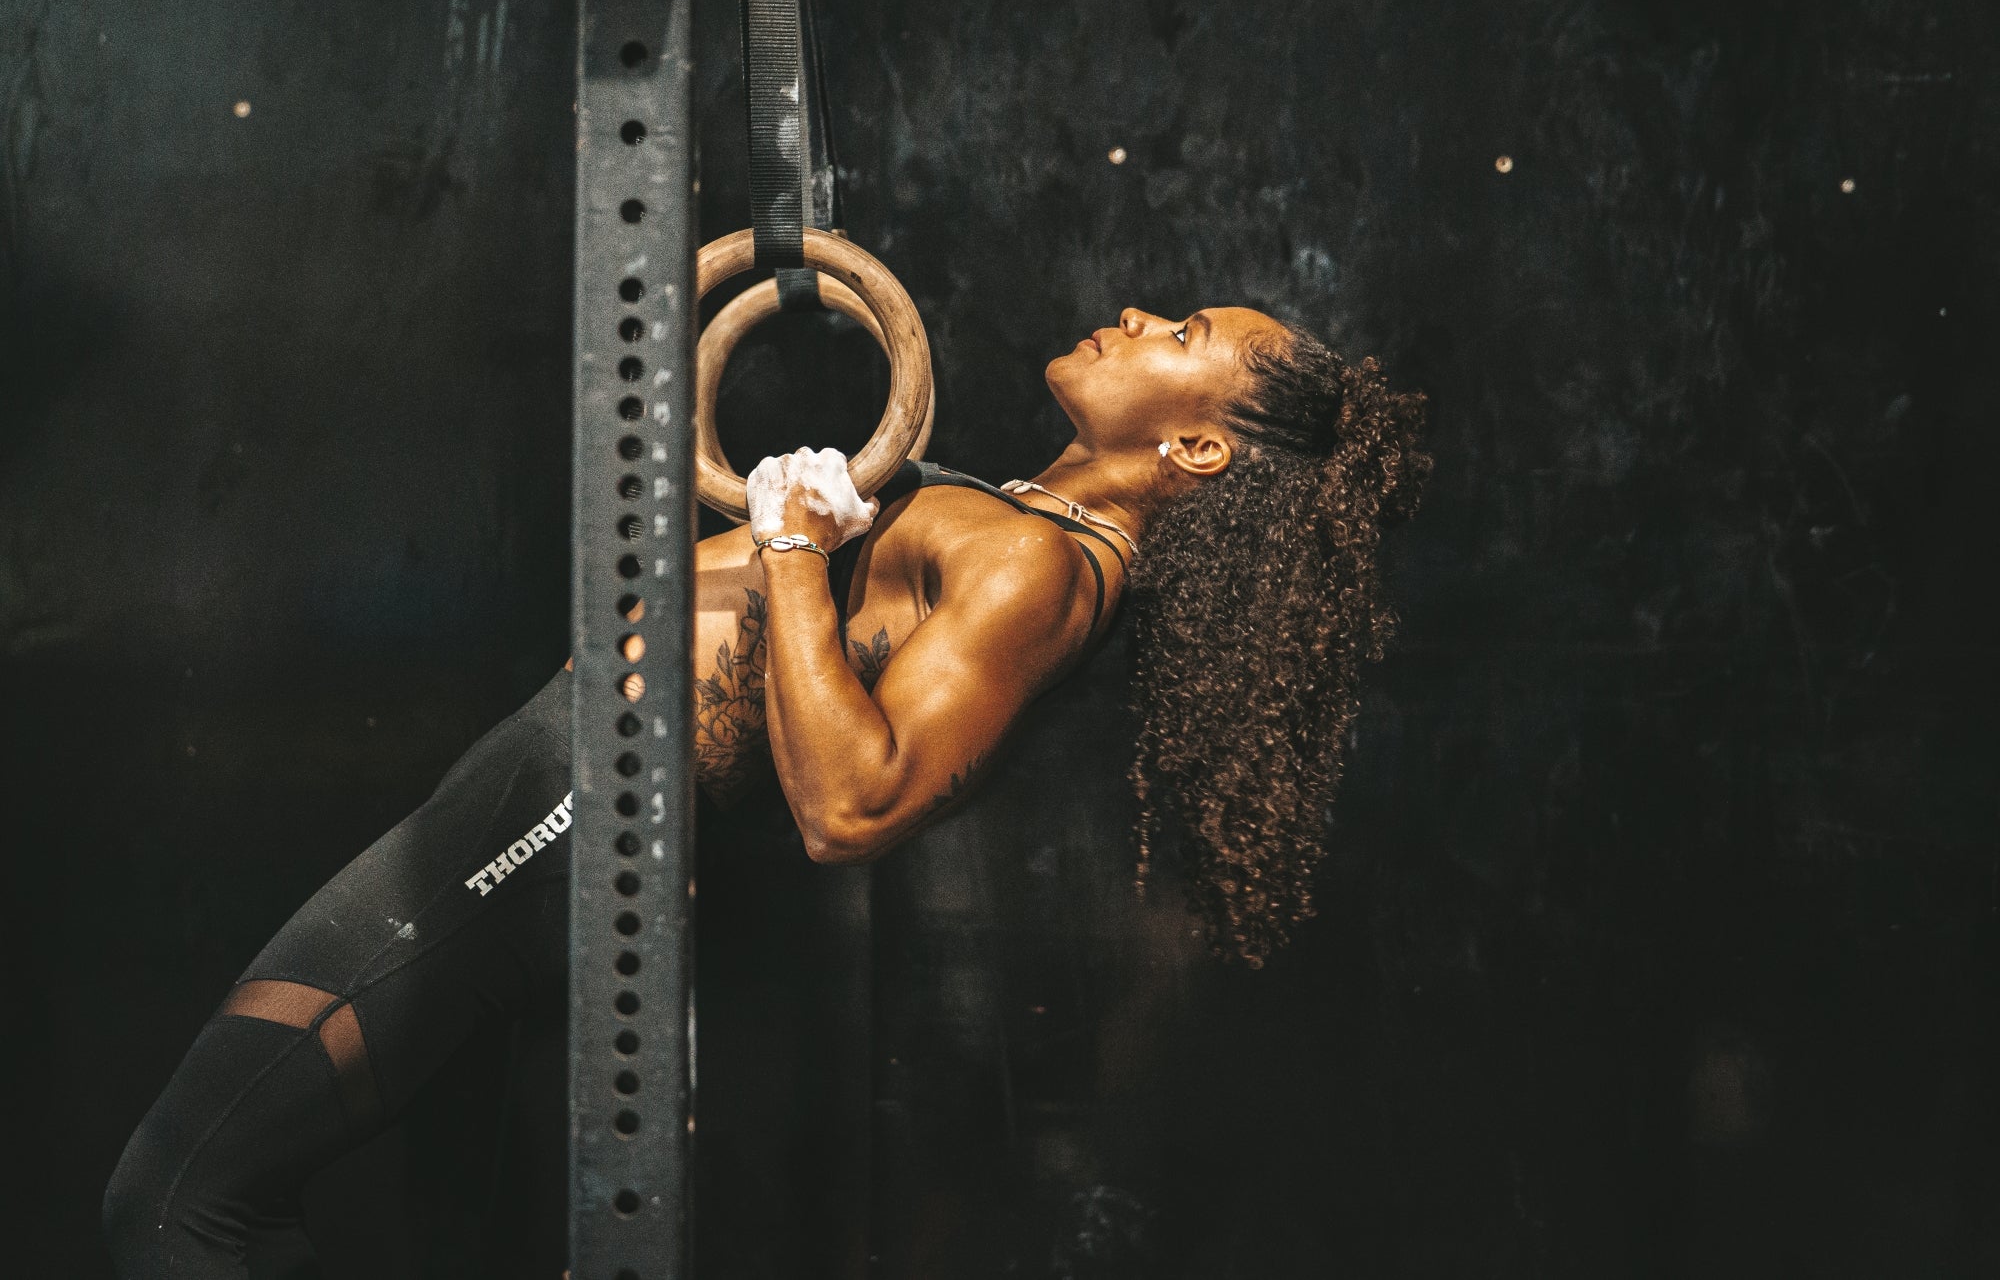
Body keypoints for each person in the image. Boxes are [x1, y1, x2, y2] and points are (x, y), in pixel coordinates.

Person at [103, 306, 1430, 1276]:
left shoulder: (1050, 570)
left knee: (181, 1200)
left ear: (1199, 449)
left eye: (1183, 329)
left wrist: (793, 546)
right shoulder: (1028, 517)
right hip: (540, 779)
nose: (1140, 313)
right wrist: (818, 543)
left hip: (572, 817)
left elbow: (852, 805)